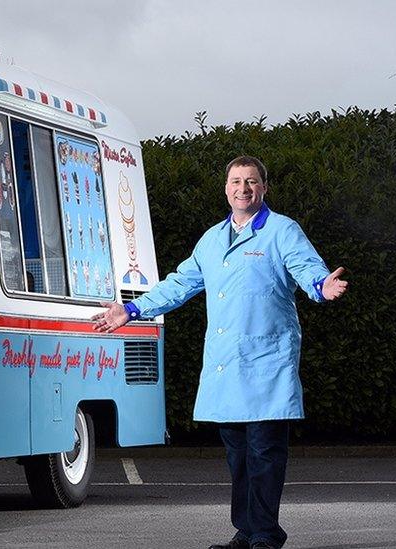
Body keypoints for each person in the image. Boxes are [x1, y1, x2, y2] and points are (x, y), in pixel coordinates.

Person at [92, 156, 348, 549]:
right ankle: (246, 532)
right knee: (239, 458)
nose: (243, 188)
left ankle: (265, 533)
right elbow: (179, 284)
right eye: (236, 181)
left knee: (265, 454)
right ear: (226, 188)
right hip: (226, 365)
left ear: (264, 188)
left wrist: (320, 286)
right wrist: (130, 309)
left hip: (267, 364)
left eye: (251, 181)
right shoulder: (212, 239)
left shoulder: (282, 231)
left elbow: (306, 267)